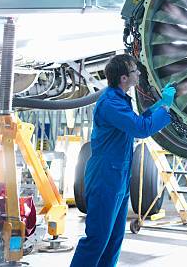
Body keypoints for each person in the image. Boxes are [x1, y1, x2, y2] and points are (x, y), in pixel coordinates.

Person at [70, 54, 174, 267]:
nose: (138, 73)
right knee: (97, 239)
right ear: (124, 78)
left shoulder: (120, 100)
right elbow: (140, 128)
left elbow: (138, 121)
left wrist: (160, 105)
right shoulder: (110, 103)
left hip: (119, 176)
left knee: (114, 240)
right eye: (135, 71)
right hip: (104, 177)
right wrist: (165, 109)